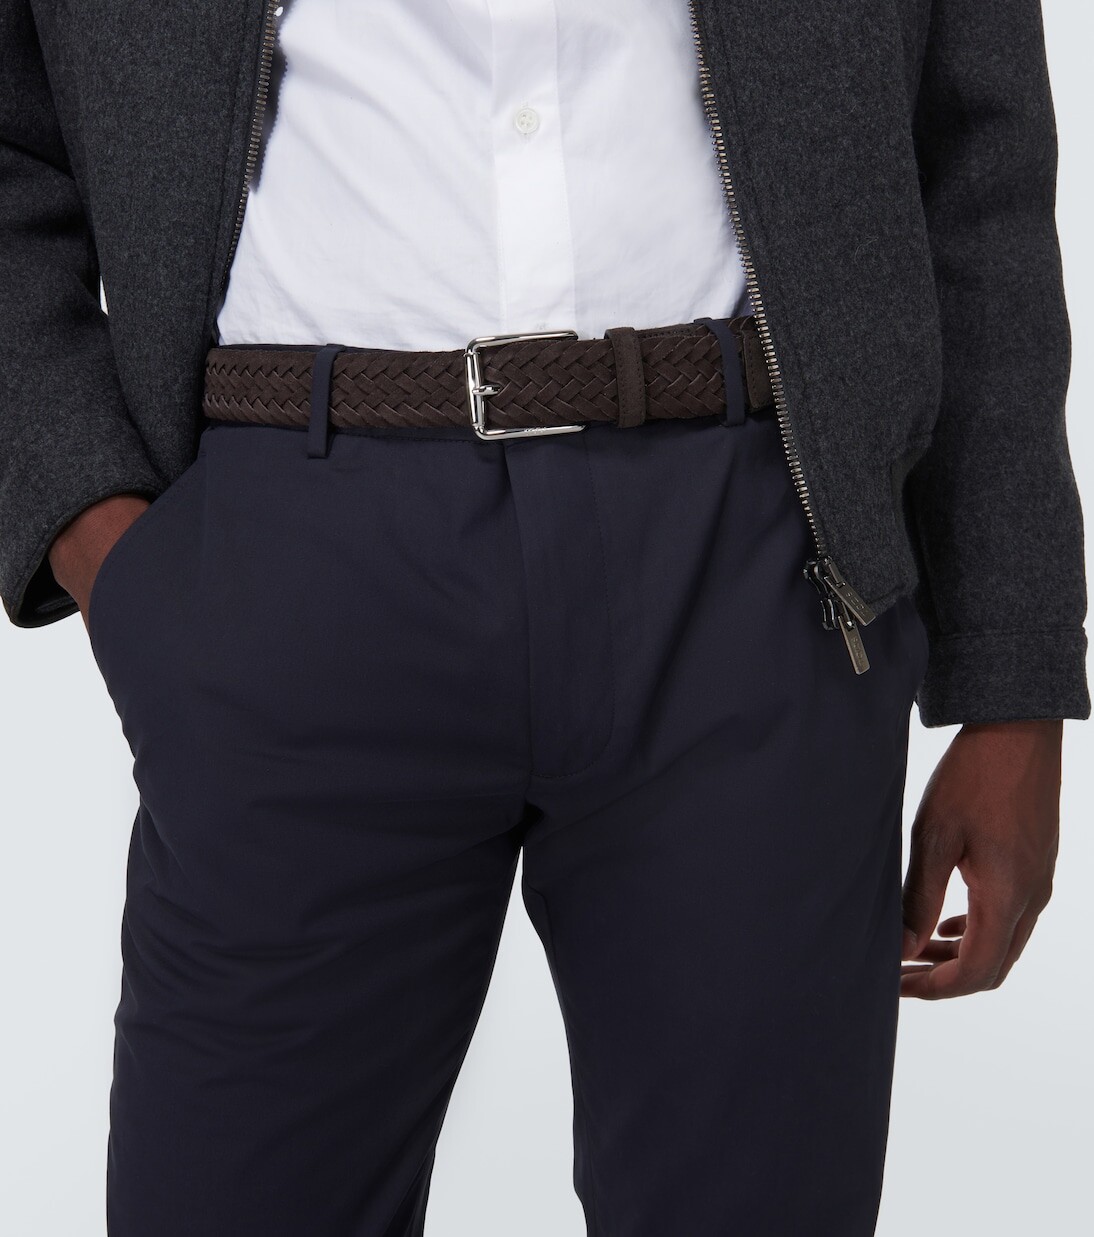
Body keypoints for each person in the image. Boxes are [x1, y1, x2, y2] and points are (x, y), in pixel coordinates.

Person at [1, 1, 1087, 1233]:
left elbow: (974, 156)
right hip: (289, 556)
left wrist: (1013, 678)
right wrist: (94, 529)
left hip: (754, 557)